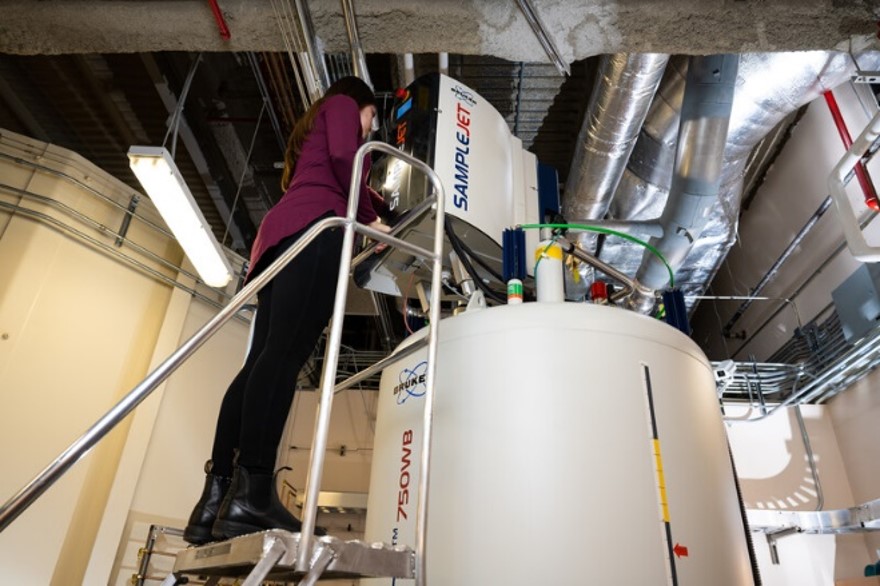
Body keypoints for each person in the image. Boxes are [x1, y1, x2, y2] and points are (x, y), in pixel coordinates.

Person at [183, 76, 392, 544]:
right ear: (358, 102)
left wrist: (381, 212)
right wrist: (372, 221)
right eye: (371, 116)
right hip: (317, 232)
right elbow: (345, 159)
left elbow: (344, 175)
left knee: (260, 360)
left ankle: (214, 500)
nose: (370, 124)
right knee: (284, 357)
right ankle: (253, 493)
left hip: (280, 237)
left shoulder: (311, 136)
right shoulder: (341, 104)